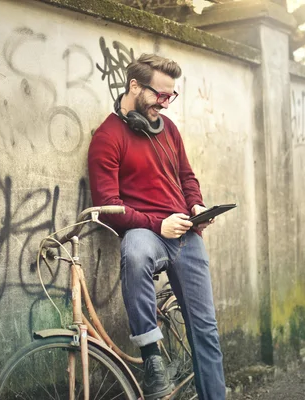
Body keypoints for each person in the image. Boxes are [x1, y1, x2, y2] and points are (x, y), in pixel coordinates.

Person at [87, 53, 225, 400]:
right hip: (147, 233)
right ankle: (151, 357)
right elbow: (106, 207)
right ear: (134, 86)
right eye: (159, 95)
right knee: (134, 250)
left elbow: (186, 177)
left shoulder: (169, 131)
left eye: (170, 96)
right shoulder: (107, 137)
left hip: (185, 235)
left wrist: (195, 205)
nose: (165, 104)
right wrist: (157, 224)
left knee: (205, 332)